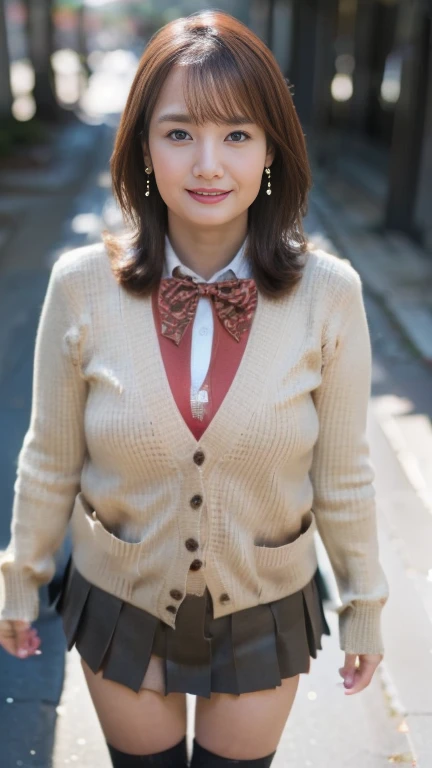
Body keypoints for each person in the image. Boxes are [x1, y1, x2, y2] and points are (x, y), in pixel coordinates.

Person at [0, 10, 389, 768]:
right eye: (179, 133)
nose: (209, 164)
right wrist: (20, 580)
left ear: (273, 148)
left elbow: (344, 474)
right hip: (121, 604)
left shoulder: (329, 295)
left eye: (238, 135)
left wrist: (365, 608)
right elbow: (49, 458)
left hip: (266, 606)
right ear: (143, 146)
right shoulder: (79, 287)